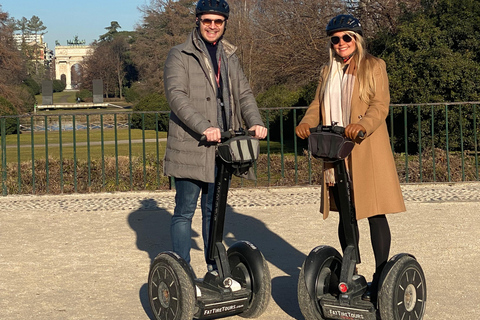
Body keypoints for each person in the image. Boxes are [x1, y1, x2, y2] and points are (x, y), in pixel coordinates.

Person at [295, 14, 406, 301]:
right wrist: (307, 122)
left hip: (364, 147)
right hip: (335, 151)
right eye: (336, 39)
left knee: (374, 211)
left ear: (356, 39)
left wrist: (362, 126)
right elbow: (317, 103)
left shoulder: (374, 66)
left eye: (346, 37)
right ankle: (351, 271)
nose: (341, 43)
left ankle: (382, 278)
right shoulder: (327, 70)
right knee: (346, 212)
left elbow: (380, 105)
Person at [163, 0, 267, 271]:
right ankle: (182, 272)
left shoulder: (229, 56)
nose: (212, 26)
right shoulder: (179, 54)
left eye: (218, 21)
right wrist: (203, 127)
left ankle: (213, 268)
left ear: (224, 24)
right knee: (184, 211)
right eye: (207, 20)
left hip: (225, 145)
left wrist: (255, 122)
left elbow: (244, 94)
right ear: (197, 20)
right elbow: (177, 97)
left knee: (214, 211)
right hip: (192, 144)